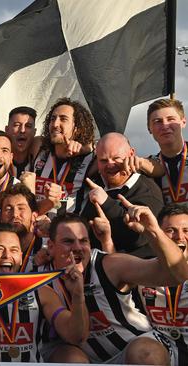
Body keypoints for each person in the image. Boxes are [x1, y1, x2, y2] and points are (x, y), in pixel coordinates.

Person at [44, 206, 186, 364]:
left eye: (84, 241)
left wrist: (153, 231)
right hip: (87, 356)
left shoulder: (108, 265)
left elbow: (177, 275)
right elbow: (77, 336)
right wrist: (78, 295)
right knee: (69, 358)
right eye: (68, 241)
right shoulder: (44, 281)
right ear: (50, 246)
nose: (77, 248)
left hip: (133, 346)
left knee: (145, 354)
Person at [0, 223, 88, 363]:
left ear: (20, 256)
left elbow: (75, 336)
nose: (7, 255)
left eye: (13, 250)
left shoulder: (41, 292)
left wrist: (77, 296)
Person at [81, 132, 163, 257]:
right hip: (91, 270)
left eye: (116, 158)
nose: (110, 164)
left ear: (131, 154)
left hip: (135, 270)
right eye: (103, 160)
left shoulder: (147, 190)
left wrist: (106, 203)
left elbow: (139, 239)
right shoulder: (93, 183)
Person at [139, 204, 188, 366]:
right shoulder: (142, 269)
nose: (179, 237)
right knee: (143, 351)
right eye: (170, 230)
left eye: (186, 231)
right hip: (162, 348)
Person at [32, 98, 95, 215]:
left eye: (63, 119)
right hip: (35, 227)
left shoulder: (89, 159)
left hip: (68, 230)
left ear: (77, 129)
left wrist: (85, 147)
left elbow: (107, 149)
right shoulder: (39, 148)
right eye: (52, 119)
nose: (55, 124)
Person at [148, 99, 188, 206]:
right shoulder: (147, 169)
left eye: (171, 119)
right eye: (157, 121)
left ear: (183, 122)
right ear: (149, 128)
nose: (165, 126)